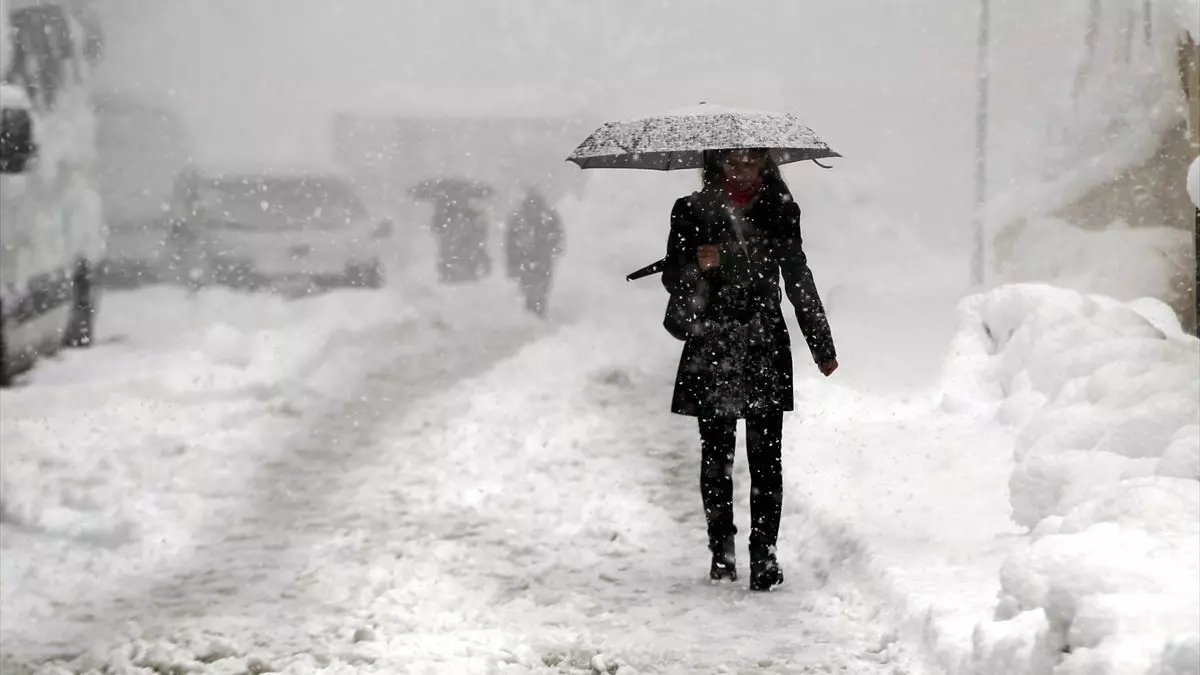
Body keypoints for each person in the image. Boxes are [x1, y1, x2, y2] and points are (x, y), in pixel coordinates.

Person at [661, 148, 838, 591]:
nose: (741, 169)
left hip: (763, 340)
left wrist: (821, 342)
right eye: (732, 161)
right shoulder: (691, 210)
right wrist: (698, 268)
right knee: (716, 457)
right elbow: (673, 276)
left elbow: (797, 274)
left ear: (765, 164)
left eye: (751, 161)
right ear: (716, 164)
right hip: (712, 339)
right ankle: (721, 551)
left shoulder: (780, 209)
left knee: (766, 459)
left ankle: (765, 556)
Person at [505, 186, 564, 317]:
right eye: (530, 205)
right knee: (532, 292)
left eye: (535, 205)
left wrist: (551, 249)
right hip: (527, 260)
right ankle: (533, 317)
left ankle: (536, 316)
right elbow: (511, 243)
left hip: (542, 261)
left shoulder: (549, 218)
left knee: (541, 292)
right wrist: (512, 264)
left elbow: (557, 237)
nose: (532, 209)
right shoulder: (518, 220)